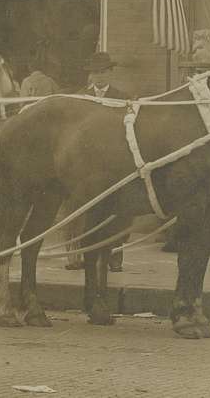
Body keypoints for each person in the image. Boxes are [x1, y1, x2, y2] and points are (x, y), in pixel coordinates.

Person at [64, 51, 129, 272]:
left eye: (103, 72)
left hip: (113, 163)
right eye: (95, 73)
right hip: (87, 164)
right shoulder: (80, 97)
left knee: (117, 210)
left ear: (110, 73)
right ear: (90, 75)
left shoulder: (123, 99)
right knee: (83, 208)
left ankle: (115, 254)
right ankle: (80, 254)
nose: (99, 77)